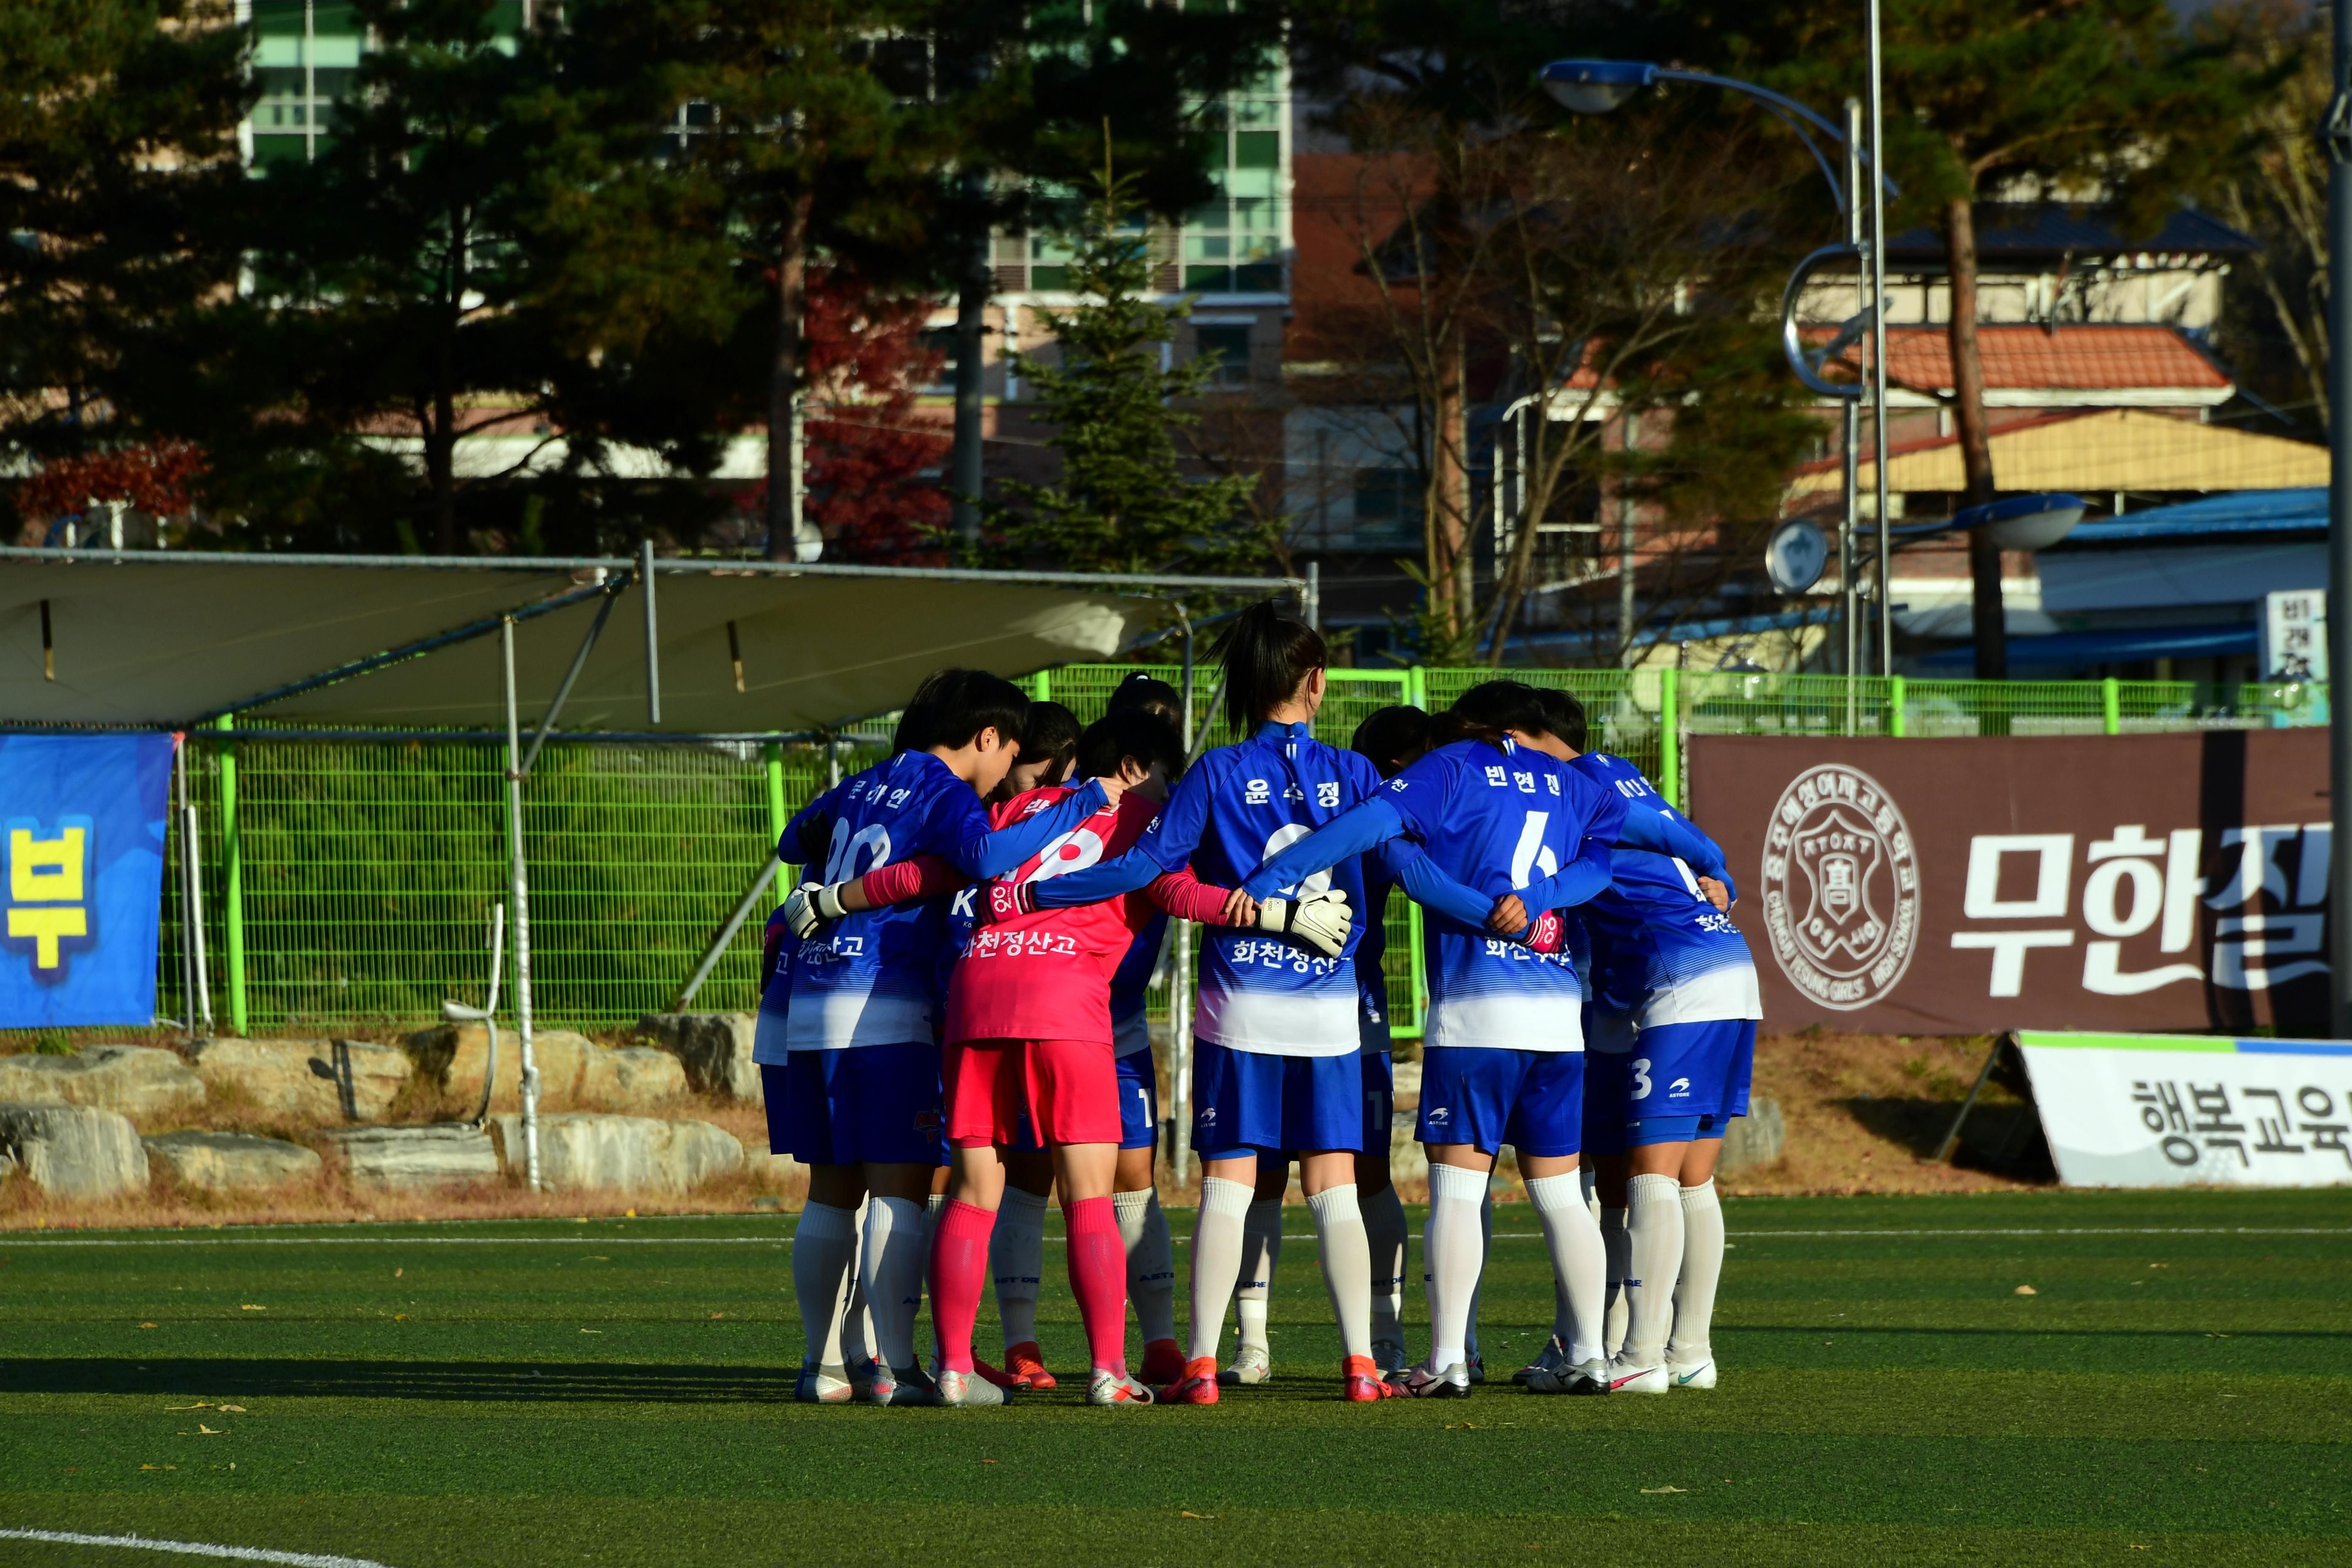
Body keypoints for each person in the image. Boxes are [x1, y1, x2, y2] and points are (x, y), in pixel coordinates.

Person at [990, 602, 1388, 1403]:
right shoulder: (1355, 773)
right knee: (1334, 1183)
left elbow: (1149, 871)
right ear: (1316, 684)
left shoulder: (1212, 771)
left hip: (1241, 1005)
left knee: (1228, 1185)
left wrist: (1041, 891)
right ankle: (1362, 1366)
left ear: (1239, 687)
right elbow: (1397, 871)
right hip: (1331, 1005)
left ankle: (1202, 1363)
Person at [1238, 681, 1621, 1398]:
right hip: (1556, 1017)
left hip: (1476, 1019)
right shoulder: (1573, 781)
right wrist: (1536, 904)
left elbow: (1374, 830)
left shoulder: (1451, 767)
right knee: (1564, 1195)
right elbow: (1600, 866)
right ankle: (1592, 1354)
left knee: (1455, 1188)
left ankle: (1447, 1358)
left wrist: (1280, 871)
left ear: (1477, 725)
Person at [768, 668, 1119, 1407]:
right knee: (899, 1185)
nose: (1003, 773)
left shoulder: (863, 780)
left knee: (830, 1189)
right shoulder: (948, 791)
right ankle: (898, 1370)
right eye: (1008, 750)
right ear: (988, 737)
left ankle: (822, 1365)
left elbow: (791, 840)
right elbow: (989, 859)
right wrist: (1081, 804)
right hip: (885, 1004)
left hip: (813, 994)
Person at [1534, 688, 1754, 1395]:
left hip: (1676, 982)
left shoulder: (1574, 788)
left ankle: (1640, 1355)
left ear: (1528, 735)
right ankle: (1685, 1350)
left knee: (1650, 1175)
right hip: (1704, 977)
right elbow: (1680, 848)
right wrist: (1720, 870)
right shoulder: (1621, 770)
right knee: (1686, 1176)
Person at [1228, 705, 1433, 1385]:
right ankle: (1252, 1343)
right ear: (1395, 766)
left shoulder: (1393, 823)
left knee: (1360, 1175)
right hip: (1286, 1008)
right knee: (1261, 1175)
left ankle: (1385, 1339)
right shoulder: (1365, 806)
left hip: (1350, 1015)